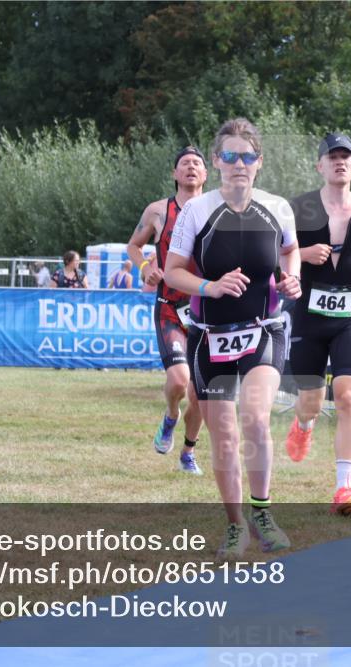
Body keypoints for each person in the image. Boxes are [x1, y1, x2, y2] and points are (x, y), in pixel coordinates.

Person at [165, 118, 301, 557]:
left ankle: (262, 512)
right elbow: (173, 272)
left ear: (259, 162)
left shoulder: (277, 207)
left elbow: (289, 250)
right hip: (209, 337)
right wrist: (211, 287)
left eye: (247, 156)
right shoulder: (197, 211)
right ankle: (235, 524)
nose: (238, 164)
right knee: (223, 434)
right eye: (229, 156)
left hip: (263, 331)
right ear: (217, 162)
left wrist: (292, 277)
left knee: (256, 418)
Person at [284, 133, 351, 515]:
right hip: (308, 316)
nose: (340, 161)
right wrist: (303, 254)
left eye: (346, 156)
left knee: (347, 396)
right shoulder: (301, 207)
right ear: (320, 166)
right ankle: (303, 426)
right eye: (332, 156)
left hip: (347, 316)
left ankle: (345, 489)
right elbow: (275, 250)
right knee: (311, 402)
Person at [126, 145, 208, 475]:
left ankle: (188, 453)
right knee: (178, 382)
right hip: (170, 308)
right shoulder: (158, 211)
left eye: (197, 164)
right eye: (184, 163)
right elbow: (133, 246)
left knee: (203, 393)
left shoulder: (218, 211)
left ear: (205, 174)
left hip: (207, 312)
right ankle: (171, 415)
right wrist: (146, 266)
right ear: (175, 174)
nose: (190, 167)